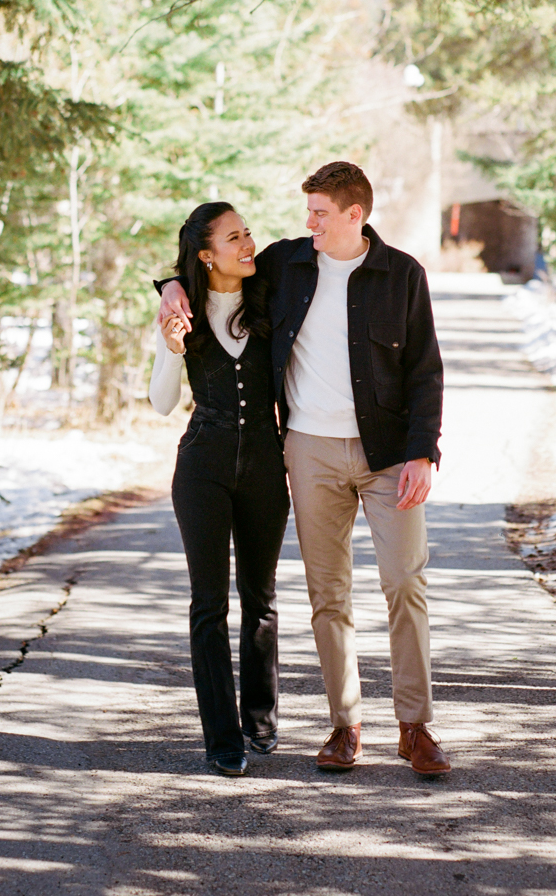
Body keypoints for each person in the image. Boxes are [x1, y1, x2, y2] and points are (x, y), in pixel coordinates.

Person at [157, 163, 450, 777]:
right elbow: (209, 268)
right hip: (308, 452)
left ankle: (415, 726)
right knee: (328, 595)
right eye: (307, 212)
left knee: (404, 581)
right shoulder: (289, 264)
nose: (306, 222)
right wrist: (168, 287)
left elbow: (426, 369)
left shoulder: (402, 276)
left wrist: (424, 450)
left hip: (389, 453)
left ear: (354, 214)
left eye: (319, 212)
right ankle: (346, 728)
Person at [148, 202, 289, 777]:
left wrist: (169, 280)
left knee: (261, 599)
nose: (248, 243)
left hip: (264, 461)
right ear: (207, 255)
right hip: (202, 464)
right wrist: (172, 347)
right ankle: (221, 738)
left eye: (248, 232)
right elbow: (160, 402)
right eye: (235, 237)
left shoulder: (270, 293)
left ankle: (260, 719)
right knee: (210, 605)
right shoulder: (181, 313)